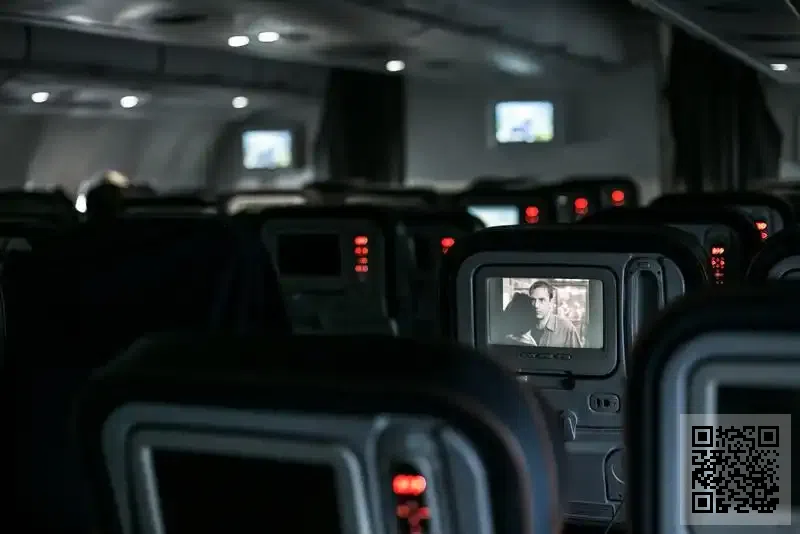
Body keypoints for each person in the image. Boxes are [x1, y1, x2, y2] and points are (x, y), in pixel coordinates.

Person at [506, 280, 582, 348]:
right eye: (533, 300)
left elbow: (578, 357)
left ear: (550, 302)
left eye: (542, 300)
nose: (536, 305)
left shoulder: (566, 328)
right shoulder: (524, 325)